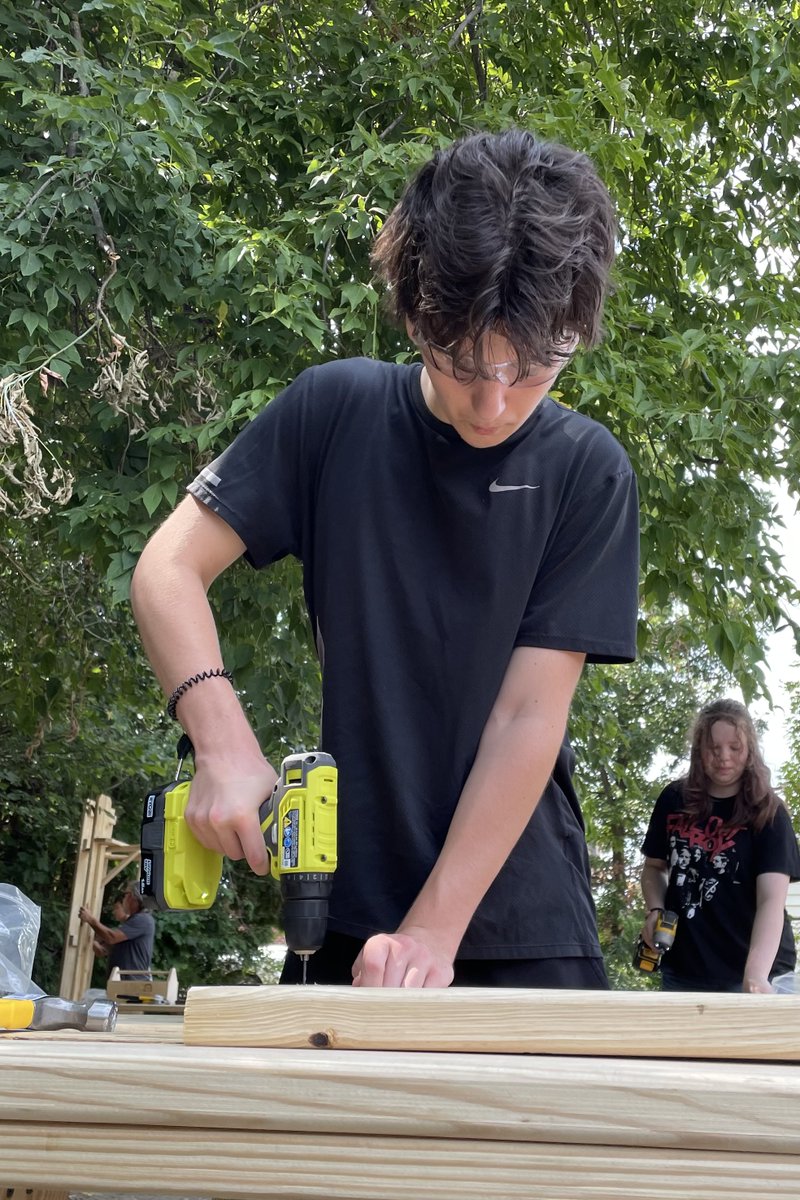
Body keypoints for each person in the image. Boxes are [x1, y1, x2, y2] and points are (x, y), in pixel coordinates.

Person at [130, 127, 640, 989]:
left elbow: (526, 718)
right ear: (414, 312)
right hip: (340, 911)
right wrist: (218, 740)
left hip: (523, 927)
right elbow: (166, 570)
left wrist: (432, 933)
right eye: (464, 361)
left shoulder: (588, 471)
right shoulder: (333, 414)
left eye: (535, 368)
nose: (495, 402)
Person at [639, 698, 800, 993]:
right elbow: (653, 868)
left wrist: (755, 975)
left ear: (749, 748)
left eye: (734, 748)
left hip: (762, 975)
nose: (724, 757)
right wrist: (655, 909)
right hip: (686, 973)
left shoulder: (769, 812)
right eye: (714, 748)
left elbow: (771, 901)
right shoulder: (673, 799)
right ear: (699, 750)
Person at [78, 880, 156, 986]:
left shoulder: (143, 920)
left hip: (131, 986)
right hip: (124, 985)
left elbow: (112, 937)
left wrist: (91, 920)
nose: (123, 898)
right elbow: (111, 946)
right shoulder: (134, 920)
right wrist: (101, 947)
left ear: (133, 897)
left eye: (125, 894)